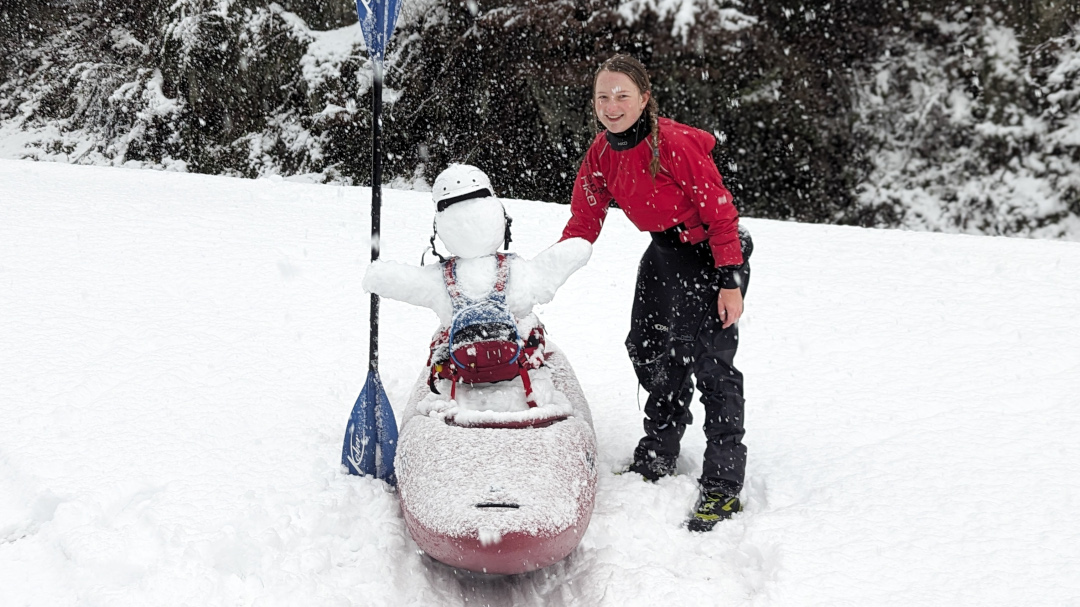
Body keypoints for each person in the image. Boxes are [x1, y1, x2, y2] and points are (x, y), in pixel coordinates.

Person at [559, 54, 753, 532]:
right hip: (665, 252)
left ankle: (724, 484)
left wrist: (729, 280)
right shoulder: (602, 153)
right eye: (603, 96)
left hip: (710, 250)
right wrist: (549, 272)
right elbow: (584, 221)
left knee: (712, 364)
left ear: (644, 98)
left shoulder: (675, 145)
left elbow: (721, 214)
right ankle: (660, 451)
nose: (611, 105)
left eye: (622, 94)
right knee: (648, 348)